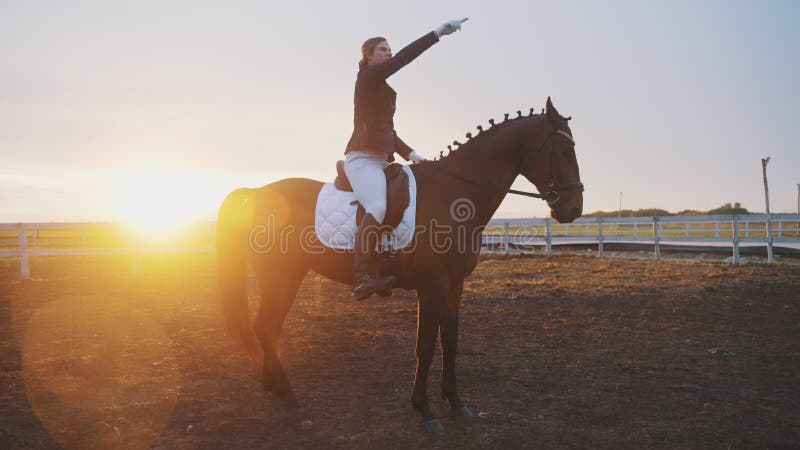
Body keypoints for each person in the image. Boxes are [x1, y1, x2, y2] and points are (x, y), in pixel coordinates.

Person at [344, 19, 467, 300]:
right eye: (383, 49)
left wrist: (416, 156)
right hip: (362, 160)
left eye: (389, 49)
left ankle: (387, 262)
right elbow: (402, 60)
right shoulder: (367, 78)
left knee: (405, 201)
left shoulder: (383, 90)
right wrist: (437, 34)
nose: (389, 53)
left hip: (382, 161)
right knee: (376, 205)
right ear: (369, 55)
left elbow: (390, 133)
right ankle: (361, 278)